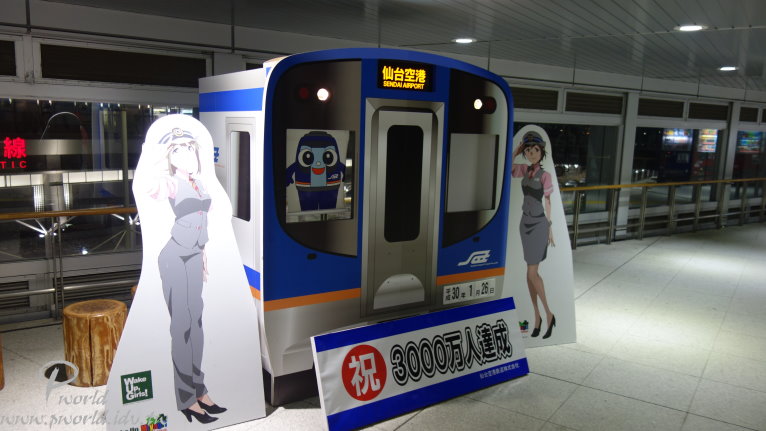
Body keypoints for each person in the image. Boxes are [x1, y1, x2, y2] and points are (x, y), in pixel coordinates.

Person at [149, 127, 227, 424]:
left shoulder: (199, 183)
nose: (187, 154)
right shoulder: (169, 182)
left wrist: (203, 251)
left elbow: (206, 216)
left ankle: (199, 389)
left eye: (190, 148)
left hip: (194, 254)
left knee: (196, 323)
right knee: (181, 325)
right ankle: (186, 398)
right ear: (170, 156)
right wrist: (156, 153)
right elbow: (150, 188)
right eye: (179, 150)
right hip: (174, 257)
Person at [512, 131, 556, 339]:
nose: (531, 153)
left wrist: (550, 227)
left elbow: (548, 201)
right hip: (525, 223)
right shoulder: (524, 170)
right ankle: (537, 316)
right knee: (528, 274)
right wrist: (516, 151)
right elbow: (505, 169)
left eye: (535, 150)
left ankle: (549, 314)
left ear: (542, 151)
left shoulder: (545, 176)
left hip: (538, 224)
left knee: (532, 273)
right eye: (528, 150)